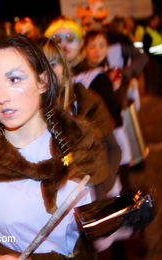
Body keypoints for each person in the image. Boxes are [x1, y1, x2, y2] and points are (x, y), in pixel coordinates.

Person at [0, 34, 108, 259]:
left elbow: (99, 229)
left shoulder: (79, 141)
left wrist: (124, 220)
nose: (1, 97)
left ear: (42, 81)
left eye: (14, 79)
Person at [42, 38, 121, 199]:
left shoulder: (85, 100)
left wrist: (103, 186)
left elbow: (113, 148)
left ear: (63, 67)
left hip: (98, 195)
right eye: (39, 67)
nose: (47, 72)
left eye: (53, 64)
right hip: (56, 207)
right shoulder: (26, 115)